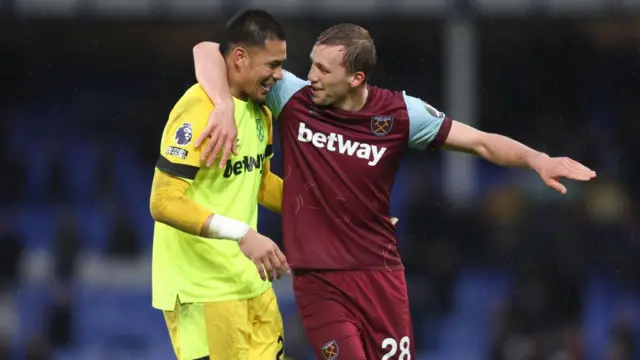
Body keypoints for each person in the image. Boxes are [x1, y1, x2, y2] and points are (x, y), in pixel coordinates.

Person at [192, 22, 596, 359]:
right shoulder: (295, 98)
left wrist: (537, 159)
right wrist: (223, 105)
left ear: (356, 78)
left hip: (381, 277)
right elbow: (208, 48)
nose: (310, 75)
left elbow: (481, 142)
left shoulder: (401, 114)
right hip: (319, 281)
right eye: (311, 65)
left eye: (323, 70)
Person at [149, 10, 291, 360]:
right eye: (272, 65)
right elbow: (163, 201)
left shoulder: (262, 113)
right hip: (203, 289)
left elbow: (260, 183)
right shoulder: (199, 108)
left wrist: (333, 210)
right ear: (240, 58)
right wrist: (243, 233)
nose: (280, 75)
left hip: (251, 283)